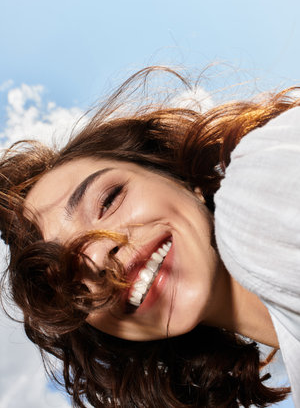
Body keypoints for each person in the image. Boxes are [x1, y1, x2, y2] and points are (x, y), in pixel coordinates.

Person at [0, 66, 298, 407]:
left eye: (108, 200)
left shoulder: (262, 178)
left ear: (179, 175)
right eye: (71, 280)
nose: (96, 260)